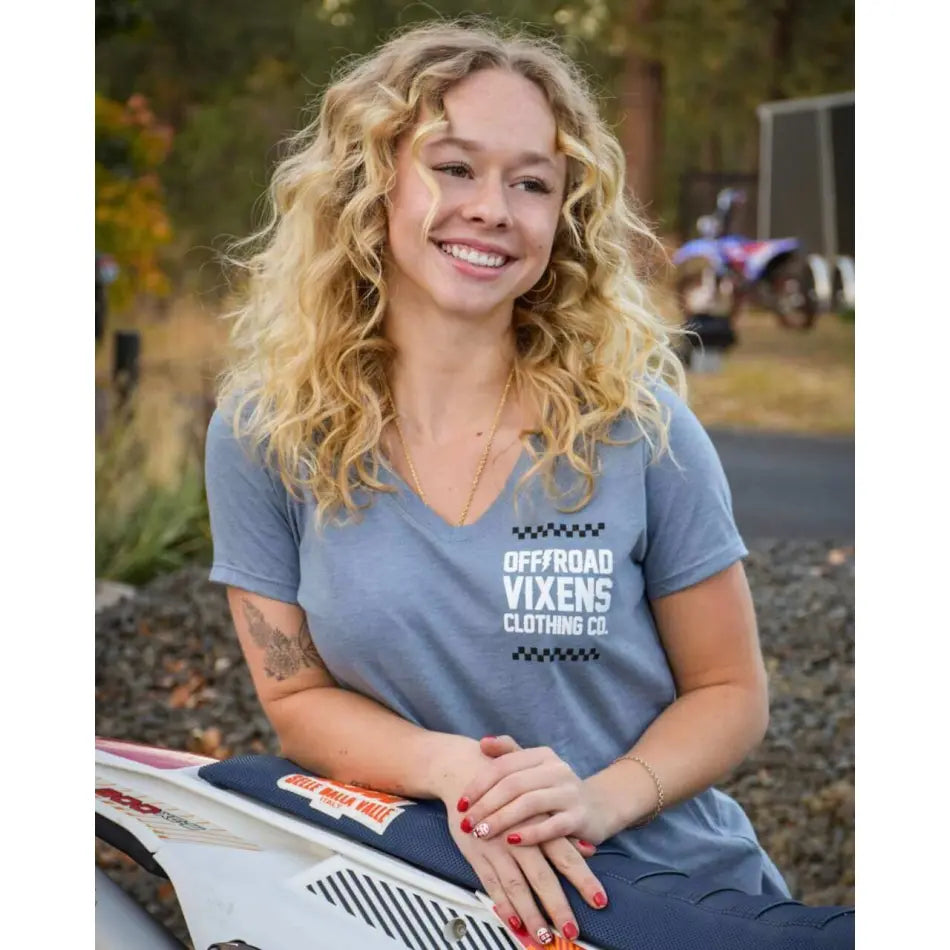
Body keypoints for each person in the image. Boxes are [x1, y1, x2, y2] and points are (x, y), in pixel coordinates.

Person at [205, 21, 789, 947]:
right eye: (454, 166)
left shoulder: (638, 428)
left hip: (661, 900)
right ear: (373, 180)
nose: (493, 208)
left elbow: (728, 689)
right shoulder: (264, 434)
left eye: (531, 183)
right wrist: (452, 774)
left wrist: (596, 803)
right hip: (417, 897)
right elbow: (295, 697)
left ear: (564, 221)